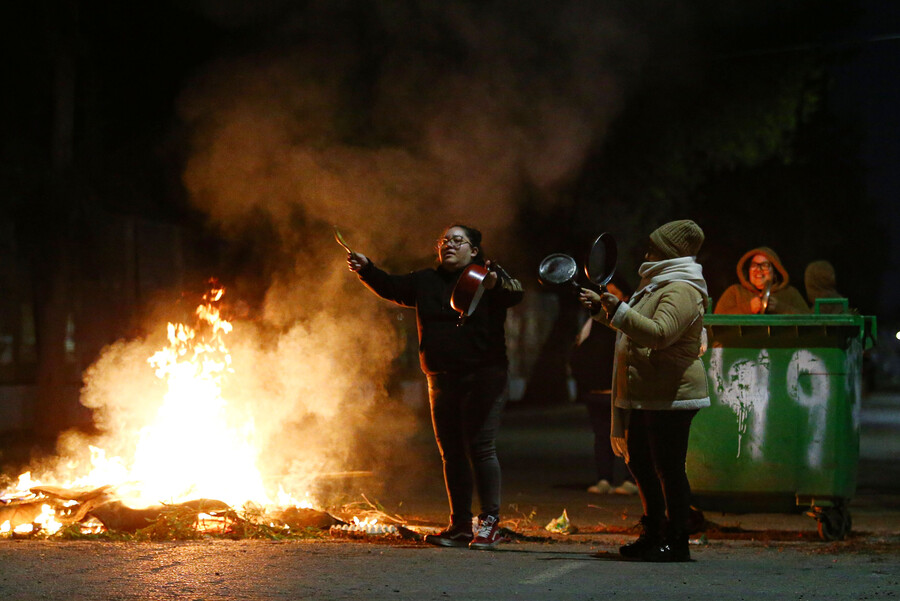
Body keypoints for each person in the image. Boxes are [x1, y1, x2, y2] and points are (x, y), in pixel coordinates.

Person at [347, 224, 523, 550]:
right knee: (451, 453)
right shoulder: (424, 281)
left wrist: (496, 282)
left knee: (480, 446)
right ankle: (460, 526)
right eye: (444, 240)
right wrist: (367, 269)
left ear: (474, 250)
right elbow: (391, 286)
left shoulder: (488, 276)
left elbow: (515, 292)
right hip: (440, 379)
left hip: (484, 376)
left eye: (459, 240)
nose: (449, 245)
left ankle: (489, 523)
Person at [578, 219, 710, 562]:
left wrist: (619, 310)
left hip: (671, 393)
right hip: (646, 391)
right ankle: (654, 533)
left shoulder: (682, 288)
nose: (647, 251)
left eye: (655, 246)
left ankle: (677, 540)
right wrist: (603, 309)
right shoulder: (656, 283)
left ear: (670, 252)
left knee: (668, 467)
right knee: (640, 463)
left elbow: (659, 333)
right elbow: (633, 327)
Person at [569, 277, 638, 496]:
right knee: (601, 436)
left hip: (619, 389)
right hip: (595, 389)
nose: (605, 297)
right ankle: (604, 479)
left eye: (613, 292)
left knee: (628, 435)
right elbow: (580, 347)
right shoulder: (594, 319)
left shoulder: (626, 319)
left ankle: (632, 479)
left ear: (625, 297)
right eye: (603, 292)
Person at [714, 247, 811, 314]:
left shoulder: (790, 293)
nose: (758, 270)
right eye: (754, 265)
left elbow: (809, 321)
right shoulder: (735, 292)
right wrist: (748, 308)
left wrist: (780, 308)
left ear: (775, 272)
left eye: (765, 265)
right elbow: (717, 320)